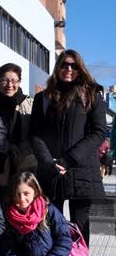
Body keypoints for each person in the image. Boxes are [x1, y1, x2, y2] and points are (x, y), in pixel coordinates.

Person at [29, 50, 108, 246]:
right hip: (51, 169)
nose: (68, 69)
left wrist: (69, 159)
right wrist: (48, 161)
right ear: (57, 68)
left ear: (80, 69)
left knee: (80, 223)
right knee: (49, 221)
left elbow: (98, 132)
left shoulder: (91, 95)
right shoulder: (43, 98)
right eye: (64, 64)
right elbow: (35, 133)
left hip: (81, 169)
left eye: (73, 65)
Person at [0, 63, 35, 198]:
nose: (9, 85)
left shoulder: (29, 104)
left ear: (19, 82)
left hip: (24, 163)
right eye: (5, 80)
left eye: (14, 80)